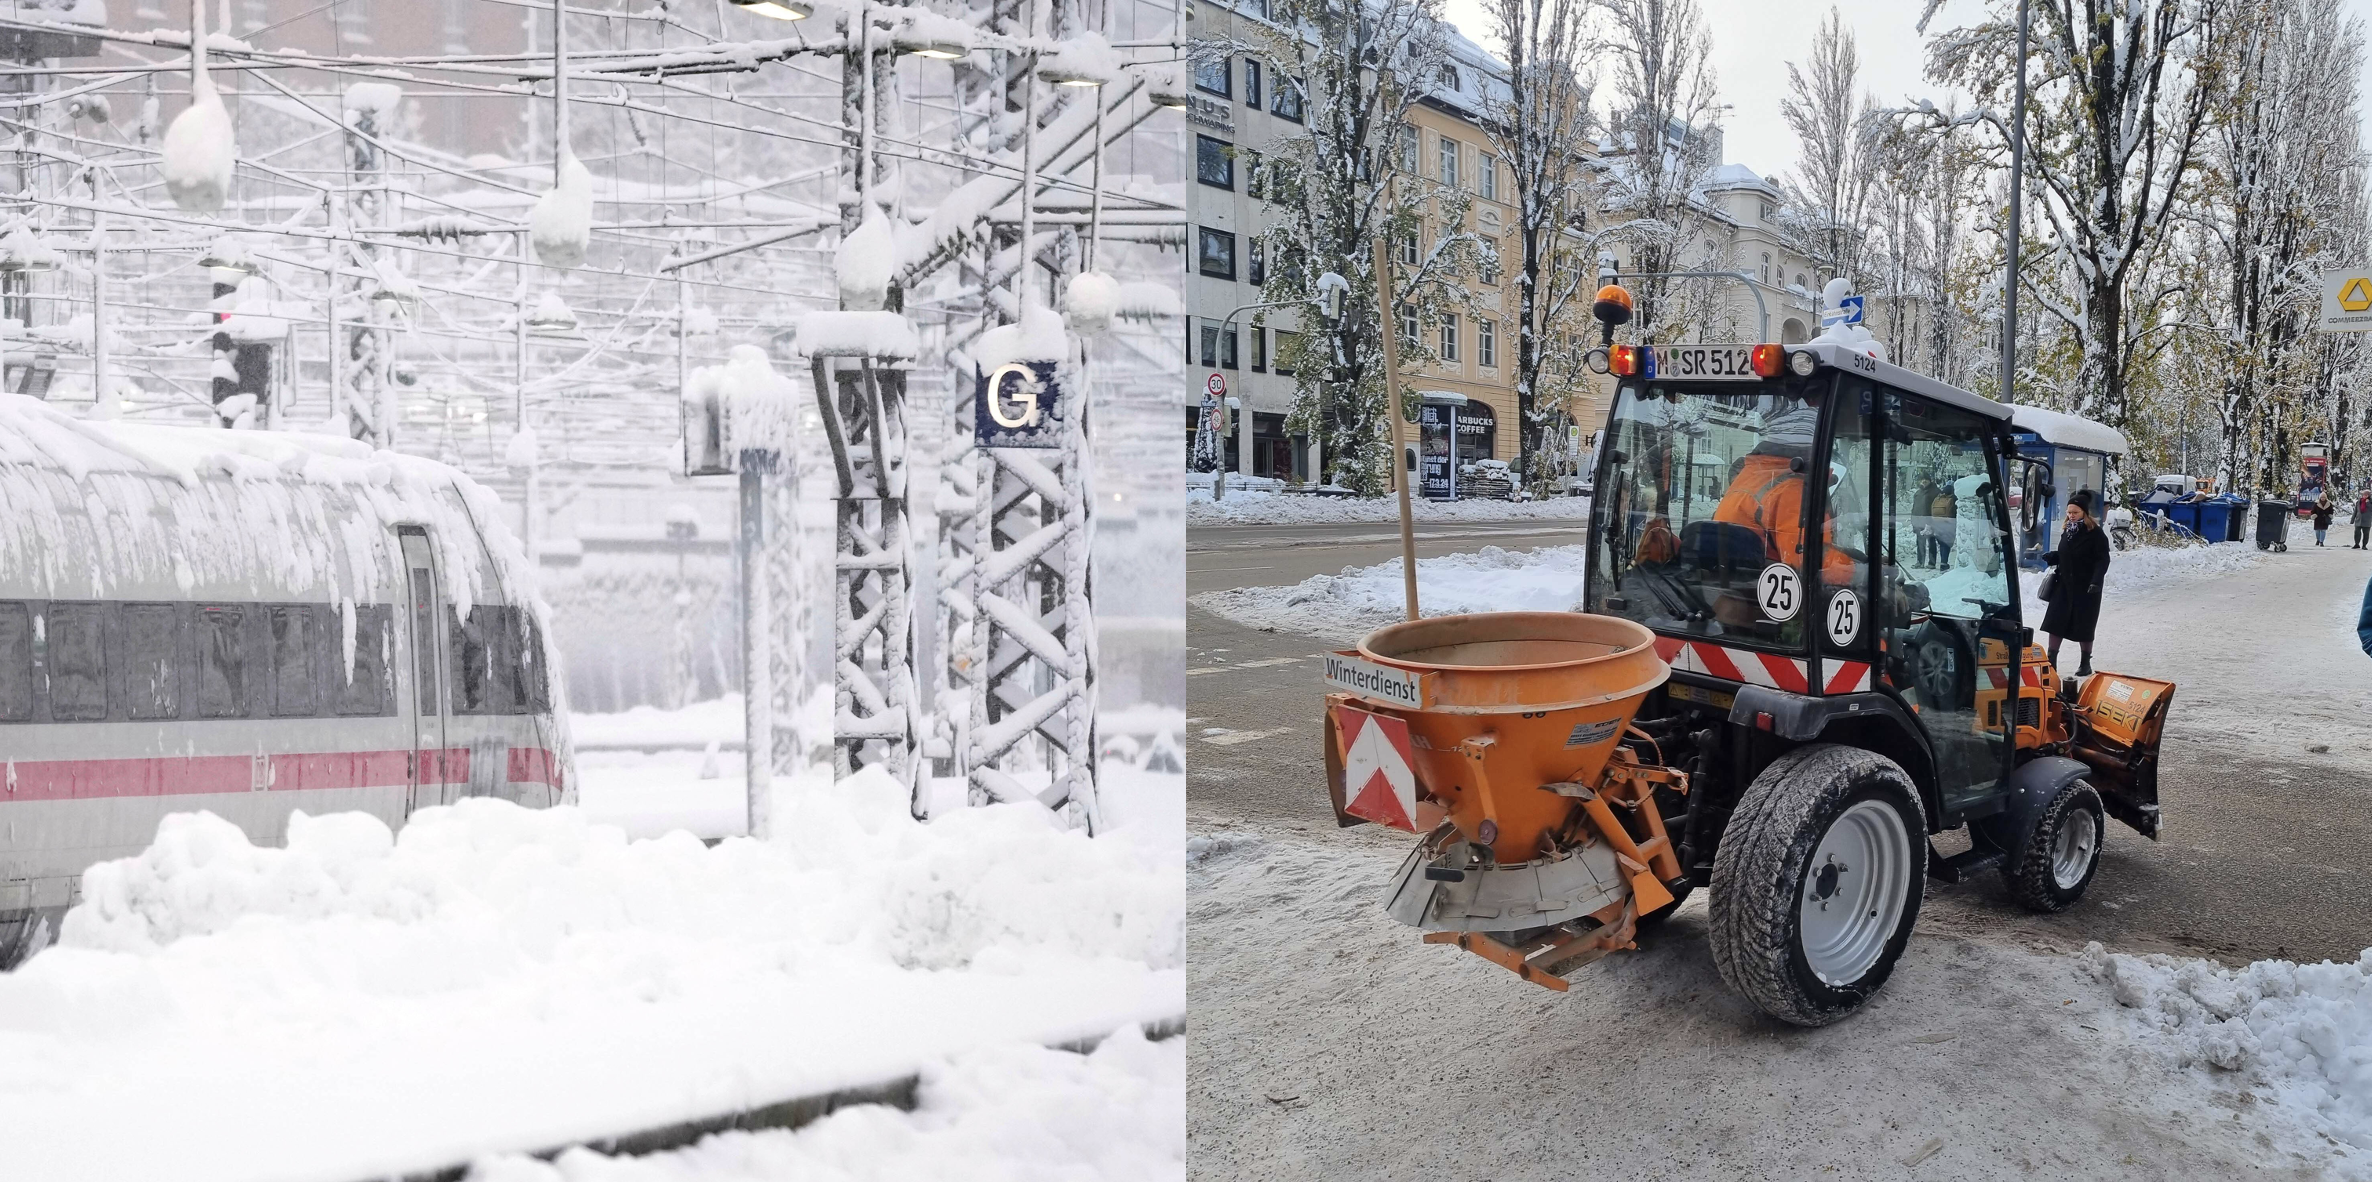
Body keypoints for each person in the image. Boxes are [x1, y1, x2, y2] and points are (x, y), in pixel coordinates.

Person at [2040, 489, 2111, 677]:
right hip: (2064, 585)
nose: (2071, 516)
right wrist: (2053, 557)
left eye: (2075, 513)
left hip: (2086, 586)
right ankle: (2051, 662)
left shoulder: (2095, 534)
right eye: (2069, 512)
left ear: (2084, 513)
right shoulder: (2067, 531)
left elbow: (2102, 560)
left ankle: (2085, 663)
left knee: (2084, 625)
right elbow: (2067, 555)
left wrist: (2096, 581)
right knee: (2055, 622)